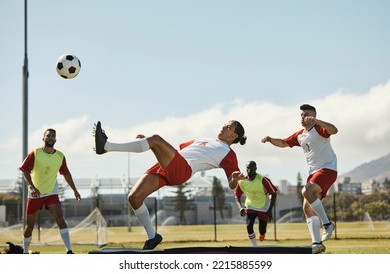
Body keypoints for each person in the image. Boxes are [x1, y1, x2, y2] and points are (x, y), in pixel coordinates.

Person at [93, 120, 246, 249]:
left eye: (229, 127)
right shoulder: (203, 139)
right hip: (169, 164)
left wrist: (234, 178)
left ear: (234, 136)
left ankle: (105, 146)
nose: (224, 127)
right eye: (225, 124)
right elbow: (175, 151)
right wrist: (146, 142)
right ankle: (152, 237)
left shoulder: (229, 154)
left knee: (156, 139)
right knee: (134, 198)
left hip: (182, 170)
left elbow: (232, 185)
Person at [261, 104, 337, 254]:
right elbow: (283, 143)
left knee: (306, 190)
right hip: (313, 173)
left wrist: (317, 120)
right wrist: (270, 139)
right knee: (307, 208)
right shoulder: (300, 135)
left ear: (313, 116)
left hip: (327, 169)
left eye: (306, 114)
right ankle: (317, 244)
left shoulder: (319, 129)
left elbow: (334, 130)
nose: (303, 117)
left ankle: (328, 224)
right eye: (301, 115)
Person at [19, 128, 81, 254]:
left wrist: (75, 190)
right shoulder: (35, 153)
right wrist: (31, 186)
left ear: (55, 139)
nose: (51, 137)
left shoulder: (60, 156)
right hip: (35, 194)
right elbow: (25, 170)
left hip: (51, 192)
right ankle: (25, 252)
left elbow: (66, 173)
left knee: (60, 219)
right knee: (30, 226)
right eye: (48, 135)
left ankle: (69, 251)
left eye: (53, 136)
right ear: (43, 138)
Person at [235, 161, 277, 246]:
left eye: (251, 167)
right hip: (250, 206)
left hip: (264, 206)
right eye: (247, 168)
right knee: (249, 226)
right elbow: (237, 196)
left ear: (256, 168)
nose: (249, 170)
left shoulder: (263, 180)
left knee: (262, 229)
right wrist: (240, 207)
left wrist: (270, 210)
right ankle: (255, 247)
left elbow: (274, 193)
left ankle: (262, 234)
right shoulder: (242, 181)